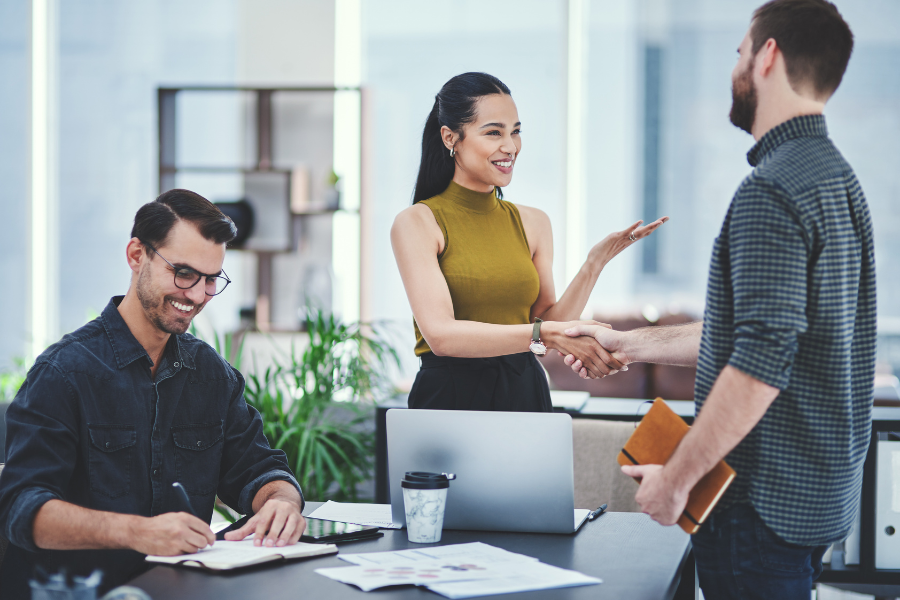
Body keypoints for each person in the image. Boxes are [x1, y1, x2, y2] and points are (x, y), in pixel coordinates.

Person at [564, 1, 874, 597]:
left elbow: (758, 364)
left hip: (757, 508)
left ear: (768, 56)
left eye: (739, 52)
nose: (734, 67)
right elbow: (758, 334)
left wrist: (678, 481)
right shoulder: (838, 179)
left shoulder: (772, 191)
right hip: (815, 501)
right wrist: (625, 342)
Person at [0, 190, 307, 596]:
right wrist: (137, 532)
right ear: (136, 255)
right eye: (183, 273)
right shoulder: (64, 373)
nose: (197, 295)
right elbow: (21, 510)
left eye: (211, 279)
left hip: (181, 589)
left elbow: (260, 470)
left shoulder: (212, 375)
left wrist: (282, 502)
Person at [391, 72, 667, 411]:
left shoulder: (534, 222)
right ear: (451, 138)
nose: (510, 146)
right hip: (450, 395)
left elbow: (550, 323)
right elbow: (441, 335)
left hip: (525, 390)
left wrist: (594, 265)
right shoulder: (417, 222)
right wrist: (540, 335)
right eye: (494, 132)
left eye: (516, 131)